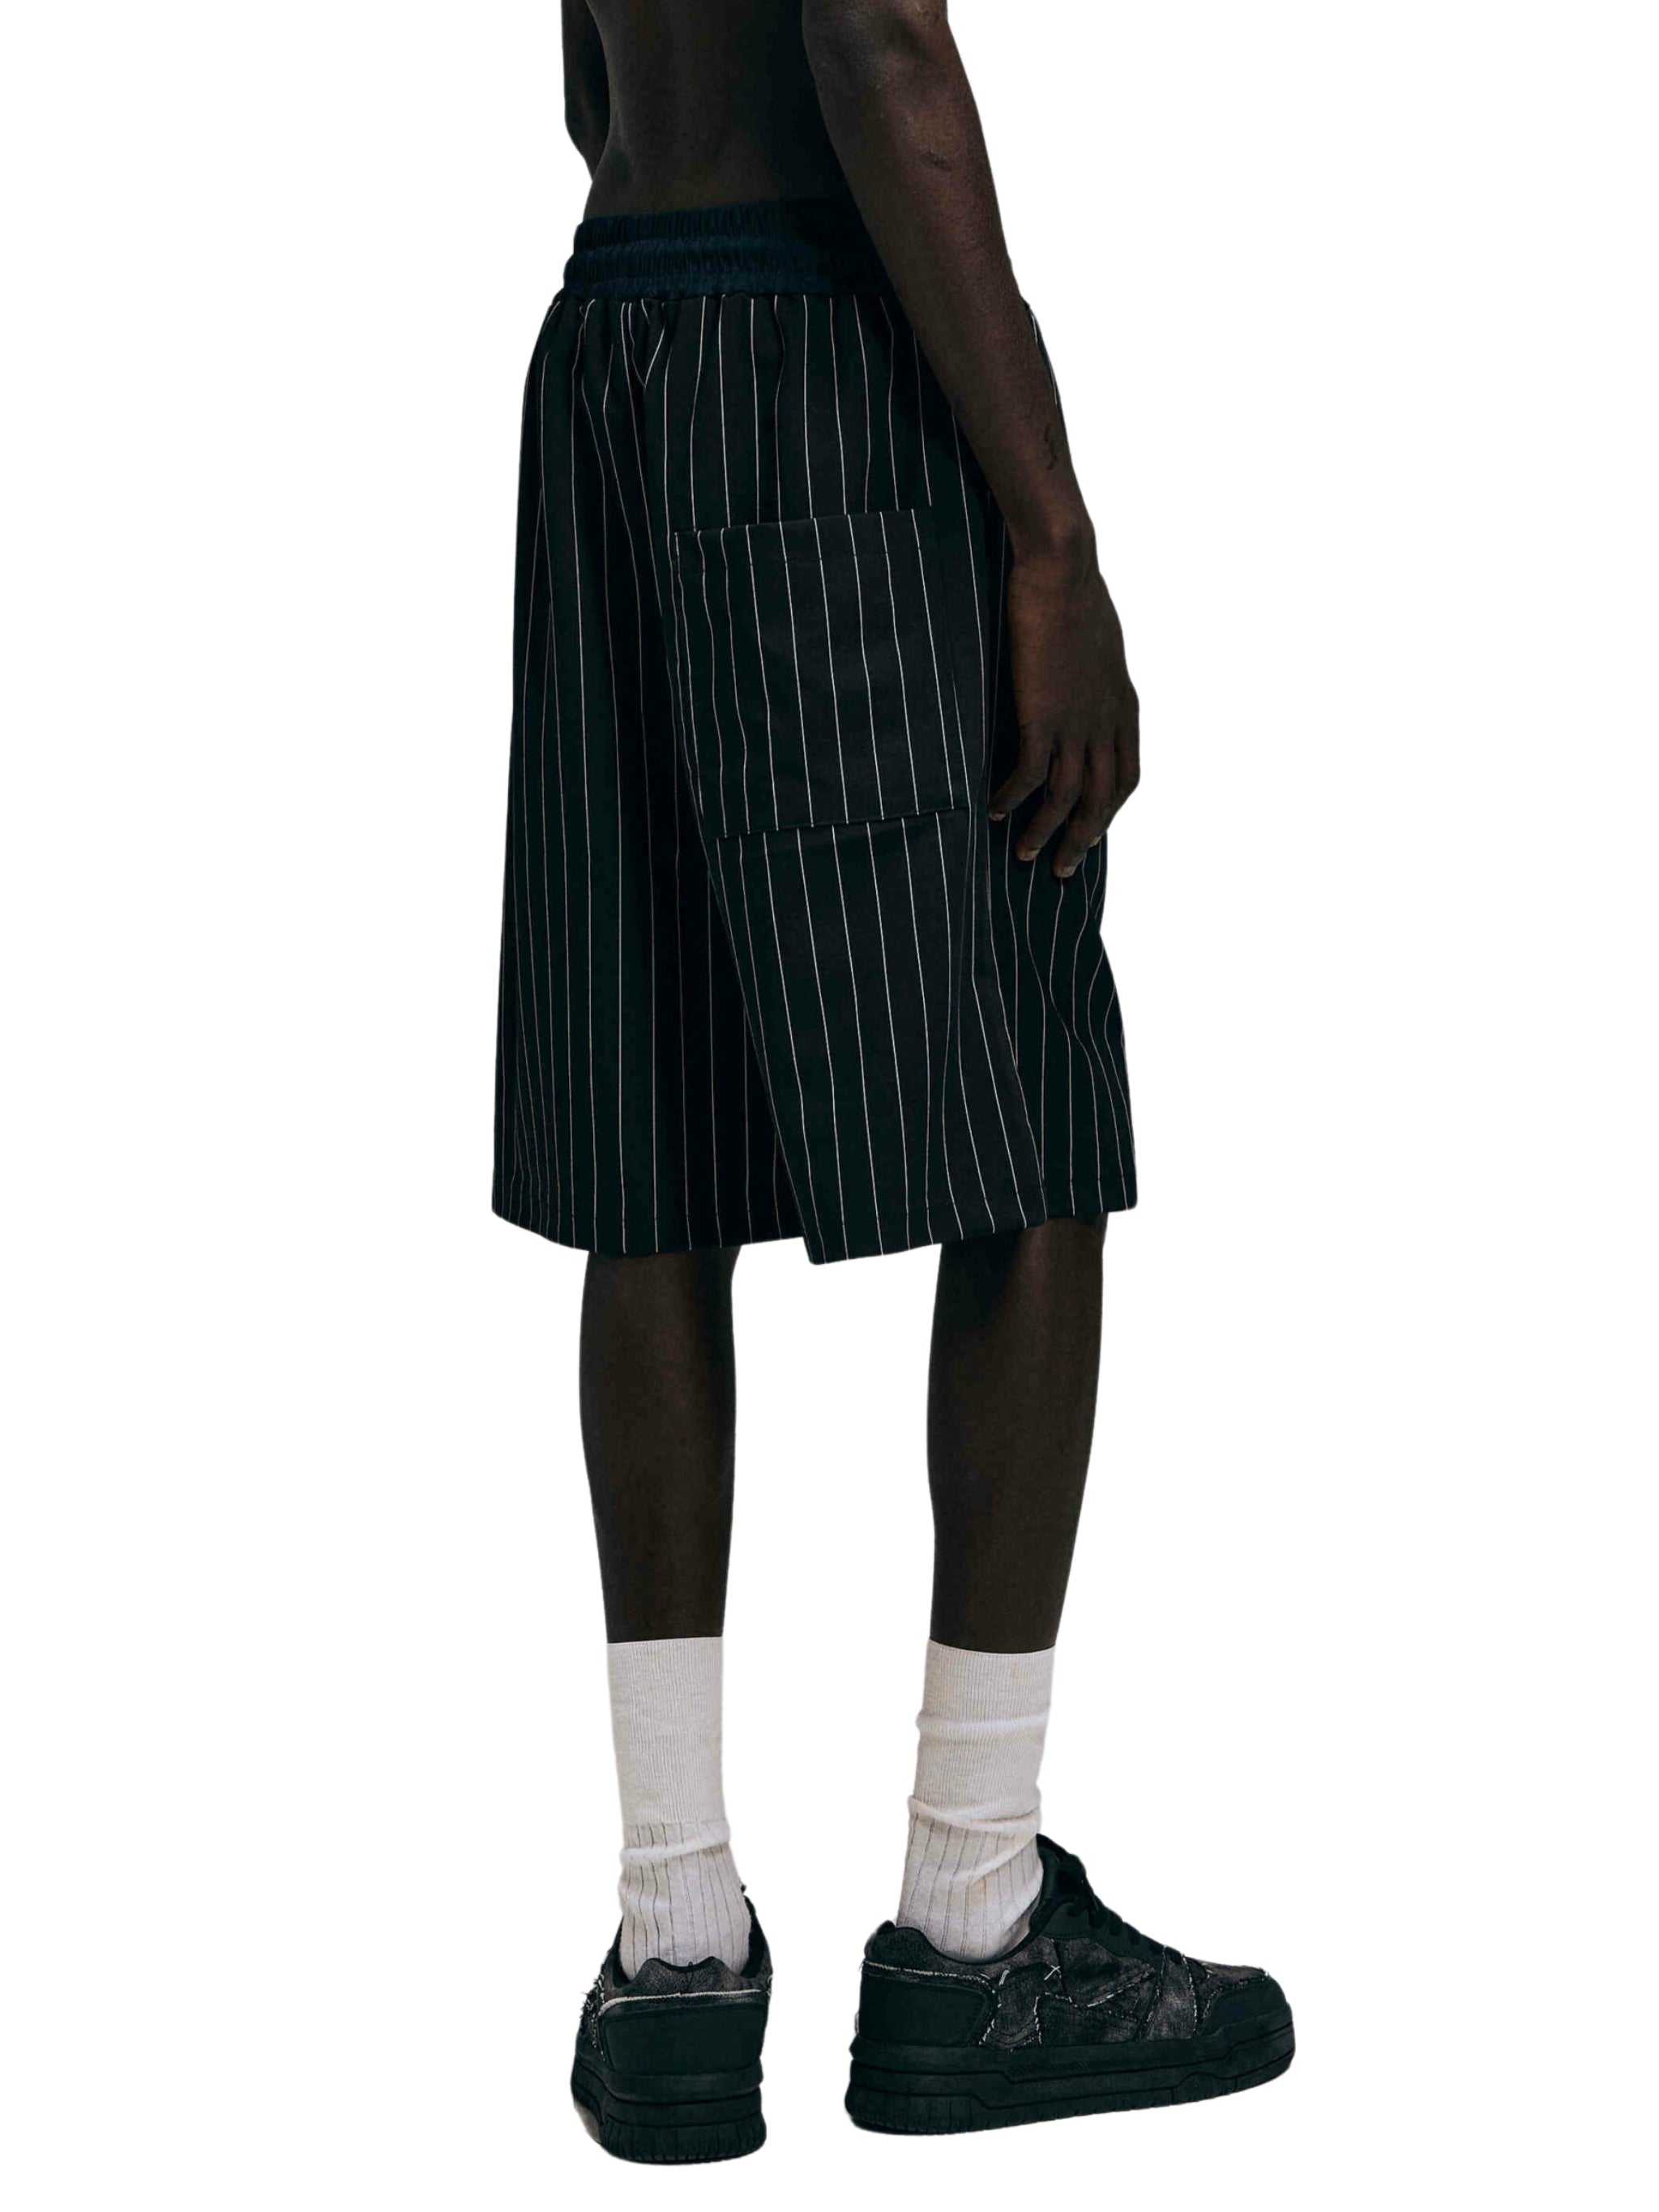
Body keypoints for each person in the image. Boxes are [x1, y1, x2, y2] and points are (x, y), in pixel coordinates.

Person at [494, 0, 1291, 2161]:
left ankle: (674, 1945)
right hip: (819, 361)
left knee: (647, 1146)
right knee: (1024, 1117)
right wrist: (1049, 539)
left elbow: (590, 82)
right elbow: (874, 36)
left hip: (619, 352)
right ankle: (975, 1913)